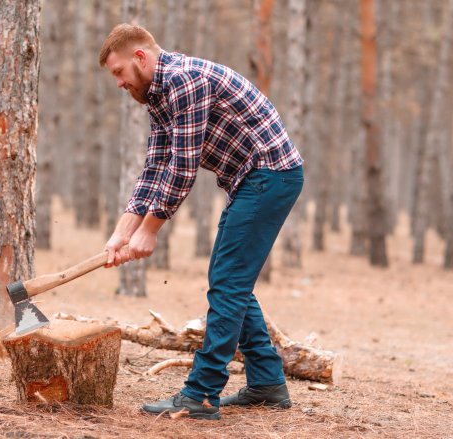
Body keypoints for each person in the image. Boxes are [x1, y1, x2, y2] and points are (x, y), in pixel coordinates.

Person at [99, 24, 304, 420]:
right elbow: (155, 166)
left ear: (140, 57)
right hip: (252, 179)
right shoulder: (157, 95)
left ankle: (202, 394)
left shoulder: (184, 81)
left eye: (119, 72)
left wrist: (150, 231)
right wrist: (120, 234)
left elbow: (182, 167)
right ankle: (266, 382)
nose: (119, 83)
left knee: (228, 281)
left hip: (270, 175)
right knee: (231, 280)